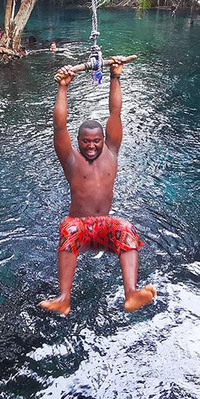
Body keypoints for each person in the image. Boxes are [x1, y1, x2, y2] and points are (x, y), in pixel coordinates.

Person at [39, 58, 156, 315]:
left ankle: (132, 293)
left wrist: (115, 76)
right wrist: (63, 87)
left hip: (103, 226)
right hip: (79, 227)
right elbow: (59, 125)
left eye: (96, 141)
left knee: (126, 228)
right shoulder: (71, 160)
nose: (91, 146)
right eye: (85, 142)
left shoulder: (111, 153)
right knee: (67, 226)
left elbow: (115, 113)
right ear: (78, 142)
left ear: (105, 140)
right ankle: (63, 299)